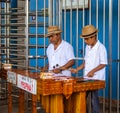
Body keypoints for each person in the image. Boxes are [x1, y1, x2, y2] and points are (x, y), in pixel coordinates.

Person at [70, 25, 108, 113]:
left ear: (93, 37)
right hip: (87, 78)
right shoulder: (87, 47)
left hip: (96, 78)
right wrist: (77, 69)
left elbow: (103, 63)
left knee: (94, 100)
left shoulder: (101, 48)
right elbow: (85, 62)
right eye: (84, 39)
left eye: (86, 39)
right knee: (82, 98)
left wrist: (92, 71)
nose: (85, 41)